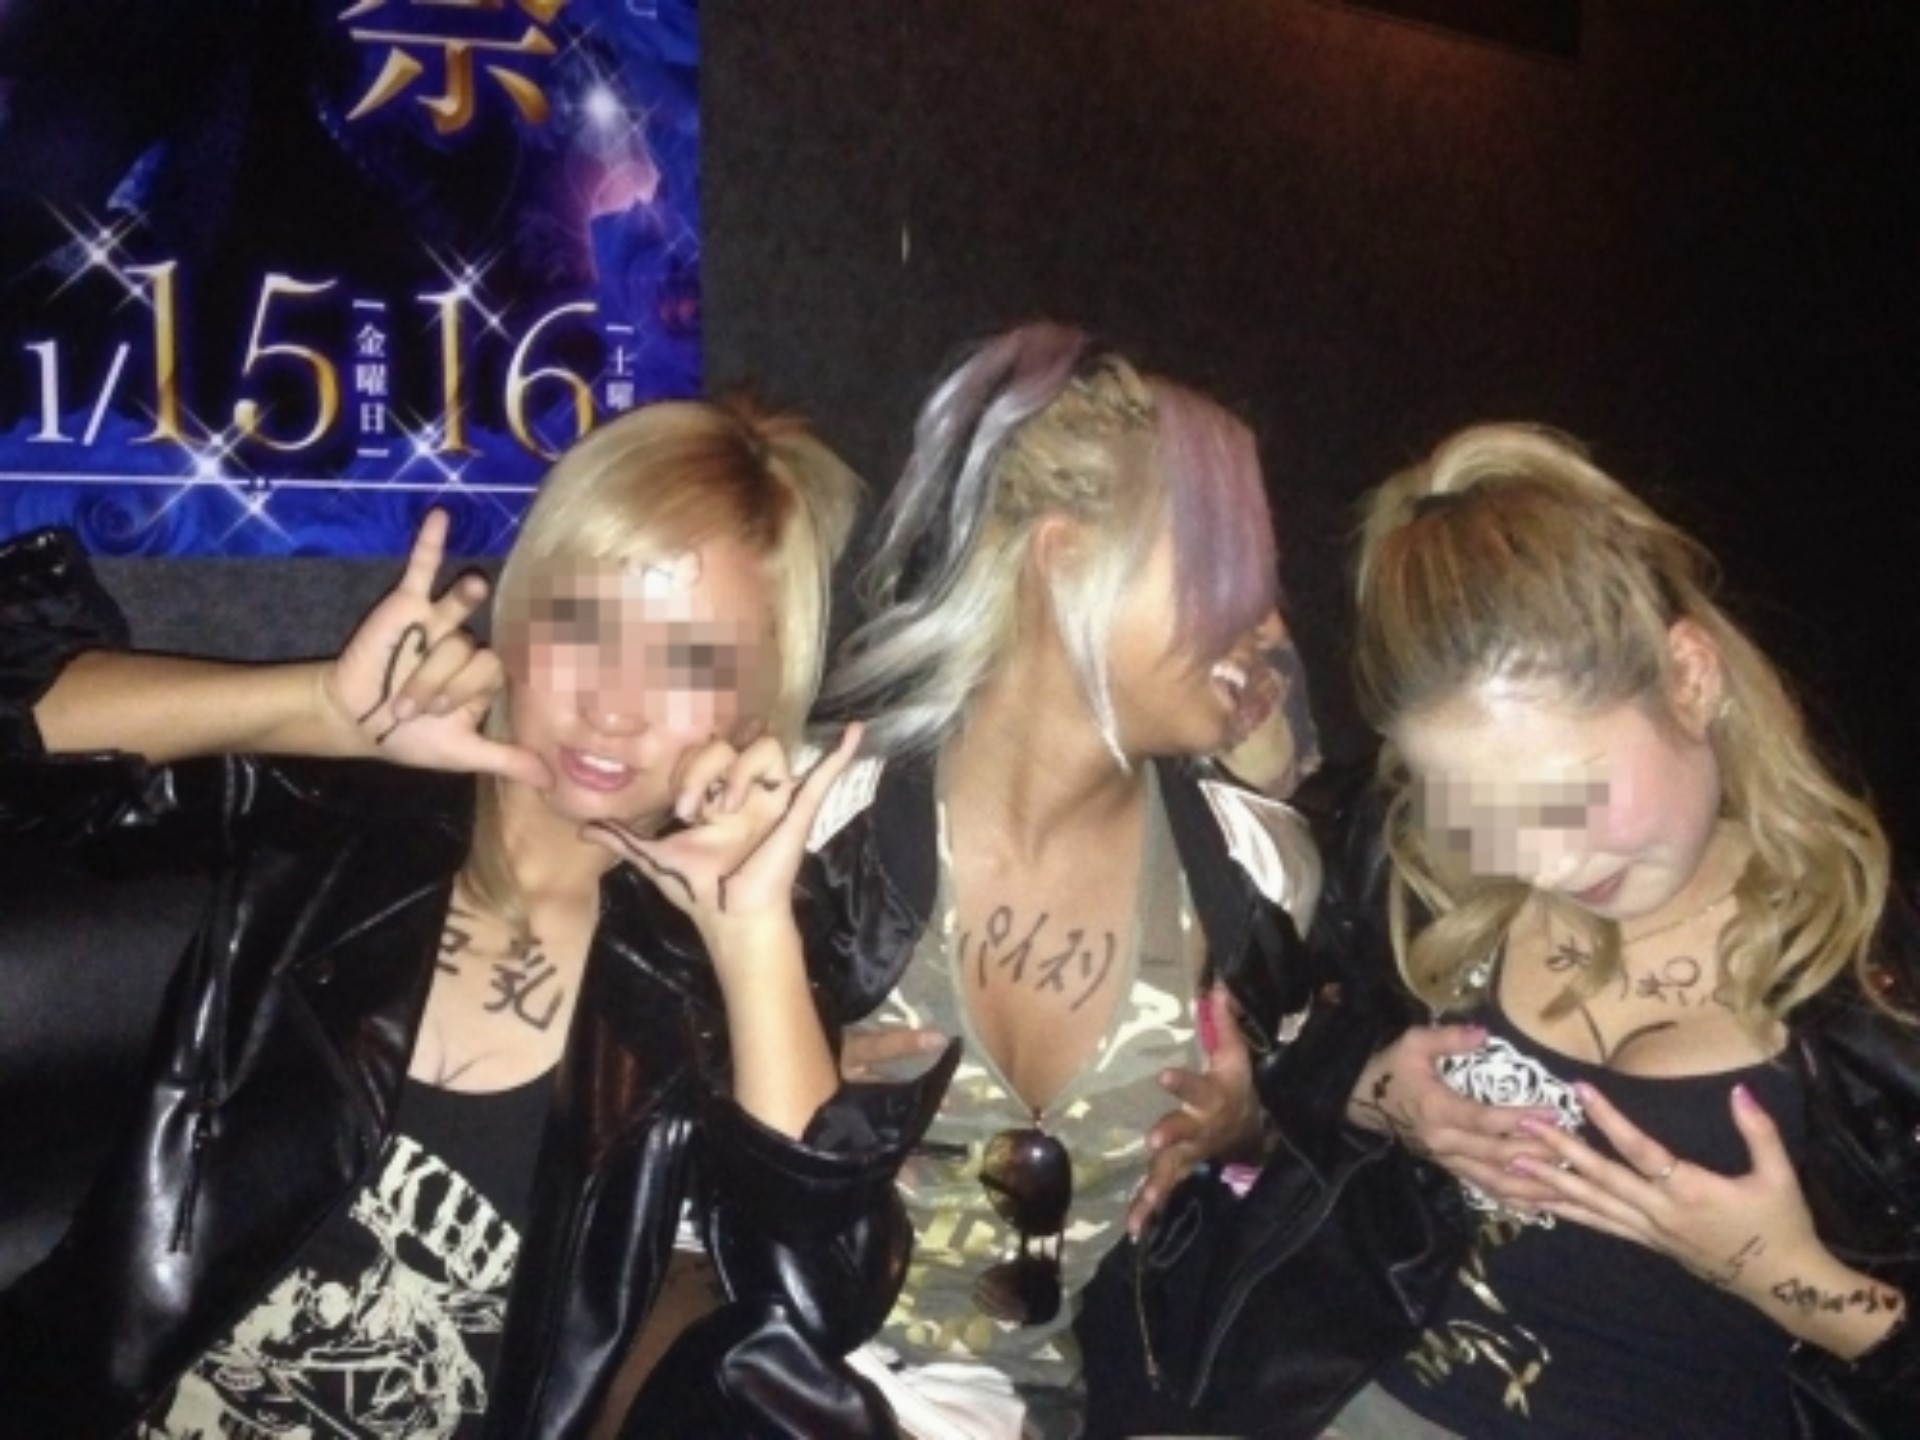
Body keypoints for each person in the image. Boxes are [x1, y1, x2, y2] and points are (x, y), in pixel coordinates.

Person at [0, 398, 958, 1437]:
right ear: (522, 614)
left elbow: (818, 1304)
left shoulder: (716, 965)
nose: (614, 705)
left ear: (754, 705)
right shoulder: (345, 815)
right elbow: (22, 728)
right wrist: (315, 709)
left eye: (690, 660)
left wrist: (753, 937)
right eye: (586, 624)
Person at [1185, 423, 1919, 1439]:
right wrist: (1373, 1094)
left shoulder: (1880, 997)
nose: (1543, 864)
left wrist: (1788, 1278)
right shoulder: (1413, 874)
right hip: (1346, 1404)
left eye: (1570, 795)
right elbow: (1271, 1071)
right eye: (1475, 811)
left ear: (1690, 679)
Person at [801, 323, 1324, 1439]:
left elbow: (1299, 1178)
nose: (1272, 625)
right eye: (1227, 573)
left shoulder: (1260, 874)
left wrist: (1246, 1136)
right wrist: (756, 1086)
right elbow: (628, 1166)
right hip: (789, 1379)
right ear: (1064, 555)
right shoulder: (813, 823)